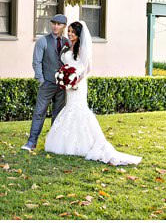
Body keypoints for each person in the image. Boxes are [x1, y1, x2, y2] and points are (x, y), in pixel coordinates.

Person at [44, 20, 142, 166]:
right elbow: (66, 65)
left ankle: (87, 143)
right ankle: (68, 143)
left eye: (72, 32)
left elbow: (88, 68)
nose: (70, 34)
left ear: (78, 34)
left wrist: (76, 80)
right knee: (70, 108)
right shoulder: (67, 47)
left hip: (79, 84)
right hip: (69, 84)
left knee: (78, 109)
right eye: (69, 31)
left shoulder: (82, 49)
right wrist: (64, 77)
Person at [22, 14, 69, 151]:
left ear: (64, 26)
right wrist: (41, 80)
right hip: (47, 83)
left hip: (62, 85)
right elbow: (36, 62)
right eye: (53, 23)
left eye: (59, 24)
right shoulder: (42, 41)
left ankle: (54, 144)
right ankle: (31, 142)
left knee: (58, 114)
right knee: (39, 112)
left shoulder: (67, 42)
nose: (55, 26)